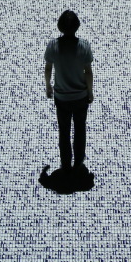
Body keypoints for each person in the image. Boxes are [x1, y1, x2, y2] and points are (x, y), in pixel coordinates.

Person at [44, 10, 93, 176]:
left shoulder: (53, 46)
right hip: (80, 96)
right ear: (77, 26)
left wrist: (48, 86)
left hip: (62, 97)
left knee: (64, 132)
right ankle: (78, 163)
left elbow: (48, 68)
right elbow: (88, 72)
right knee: (80, 130)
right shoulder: (84, 46)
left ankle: (65, 164)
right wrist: (90, 91)